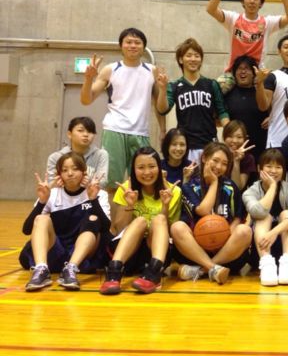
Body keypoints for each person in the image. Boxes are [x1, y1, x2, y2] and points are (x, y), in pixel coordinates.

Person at [80, 28, 161, 195]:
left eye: (137, 42)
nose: (133, 45)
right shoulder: (110, 69)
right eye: (128, 42)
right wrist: (88, 78)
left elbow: (159, 104)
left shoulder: (152, 70)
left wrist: (163, 129)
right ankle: (109, 213)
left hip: (141, 132)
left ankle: (135, 212)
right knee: (111, 183)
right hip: (114, 130)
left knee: (143, 182)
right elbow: (86, 100)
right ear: (121, 46)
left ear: (143, 47)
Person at [20, 153, 110, 291]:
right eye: (64, 170)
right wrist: (42, 202)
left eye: (75, 169)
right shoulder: (52, 194)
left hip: (83, 254)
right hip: (57, 250)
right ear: (59, 175)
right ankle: (41, 269)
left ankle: (71, 269)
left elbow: (105, 228)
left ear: (84, 172)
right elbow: (26, 230)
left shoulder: (98, 193)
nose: (70, 173)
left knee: (93, 218)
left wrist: (93, 200)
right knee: (41, 218)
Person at [100, 147, 182, 295]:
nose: (147, 172)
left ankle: (154, 272)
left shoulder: (173, 191)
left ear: (159, 168)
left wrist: (165, 205)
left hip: (154, 252)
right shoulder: (126, 188)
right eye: (141, 167)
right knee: (140, 221)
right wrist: (129, 205)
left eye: (151, 166)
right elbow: (118, 228)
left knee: (159, 219)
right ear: (133, 170)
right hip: (128, 252)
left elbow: (168, 230)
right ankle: (113, 272)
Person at [206, 0, 288, 92]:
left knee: (272, 93)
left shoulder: (267, 22)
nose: (252, 1)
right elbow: (210, 9)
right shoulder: (233, 19)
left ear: (261, 3)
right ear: (242, 2)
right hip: (233, 72)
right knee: (216, 91)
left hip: (257, 74)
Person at [171, 143, 252, 285]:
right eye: (215, 160)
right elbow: (203, 211)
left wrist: (223, 239)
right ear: (204, 158)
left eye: (224, 164)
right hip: (195, 251)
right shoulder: (189, 186)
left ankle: (202, 270)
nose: (219, 167)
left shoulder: (230, 187)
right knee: (177, 227)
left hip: (225, 252)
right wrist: (214, 183)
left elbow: (237, 219)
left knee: (245, 230)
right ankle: (213, 268)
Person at [156, 38, 229, 163]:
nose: (193, 59)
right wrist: (162, 89)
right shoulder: (175, 86)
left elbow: (222, 112)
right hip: (185, 146)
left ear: (201, 59)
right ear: (181, 59)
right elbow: (162, 110)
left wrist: (229, 134)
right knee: (187, 176)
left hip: (209, 144)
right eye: (189, 55)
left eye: (197, 56)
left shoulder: (211, 84)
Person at [242, 149, 288, 286]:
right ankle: (267, 265)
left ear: (284, 170)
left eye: (278, 167)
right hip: (261, 248)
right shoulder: (249, 192)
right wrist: (272, 187)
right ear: (259, 168)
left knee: (287, 214)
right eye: (269, 166)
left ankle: (287, 264)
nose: (273, 171)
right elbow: (257, 212)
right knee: (264, 217)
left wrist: (274, 232)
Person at [224, 55, 269, 159]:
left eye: (247, 68)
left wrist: (272, 118)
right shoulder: (227, 94)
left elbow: (269, 109)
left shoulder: (261, 91)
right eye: (239, 68)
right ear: (234, 73)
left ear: (253, 73)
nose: (243, 72)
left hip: (260, 147)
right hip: (234, 148)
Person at [46, 116, 109, 189]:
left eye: (90, 131)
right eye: (80, 130)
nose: (86, 135)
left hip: (91, 195)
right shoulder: (55, 157)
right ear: (69, 134)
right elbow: (51, 185)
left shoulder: (101, 155)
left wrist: (86, 181)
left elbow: (102, 183)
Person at [222, 120, 257, 191]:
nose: (234, 141)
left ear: (244, 139)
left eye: (239, 137)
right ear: (224, 138)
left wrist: (236, 161)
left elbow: (237, 187)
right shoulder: (219, 155)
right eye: (230, 136)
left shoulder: (248, 158)